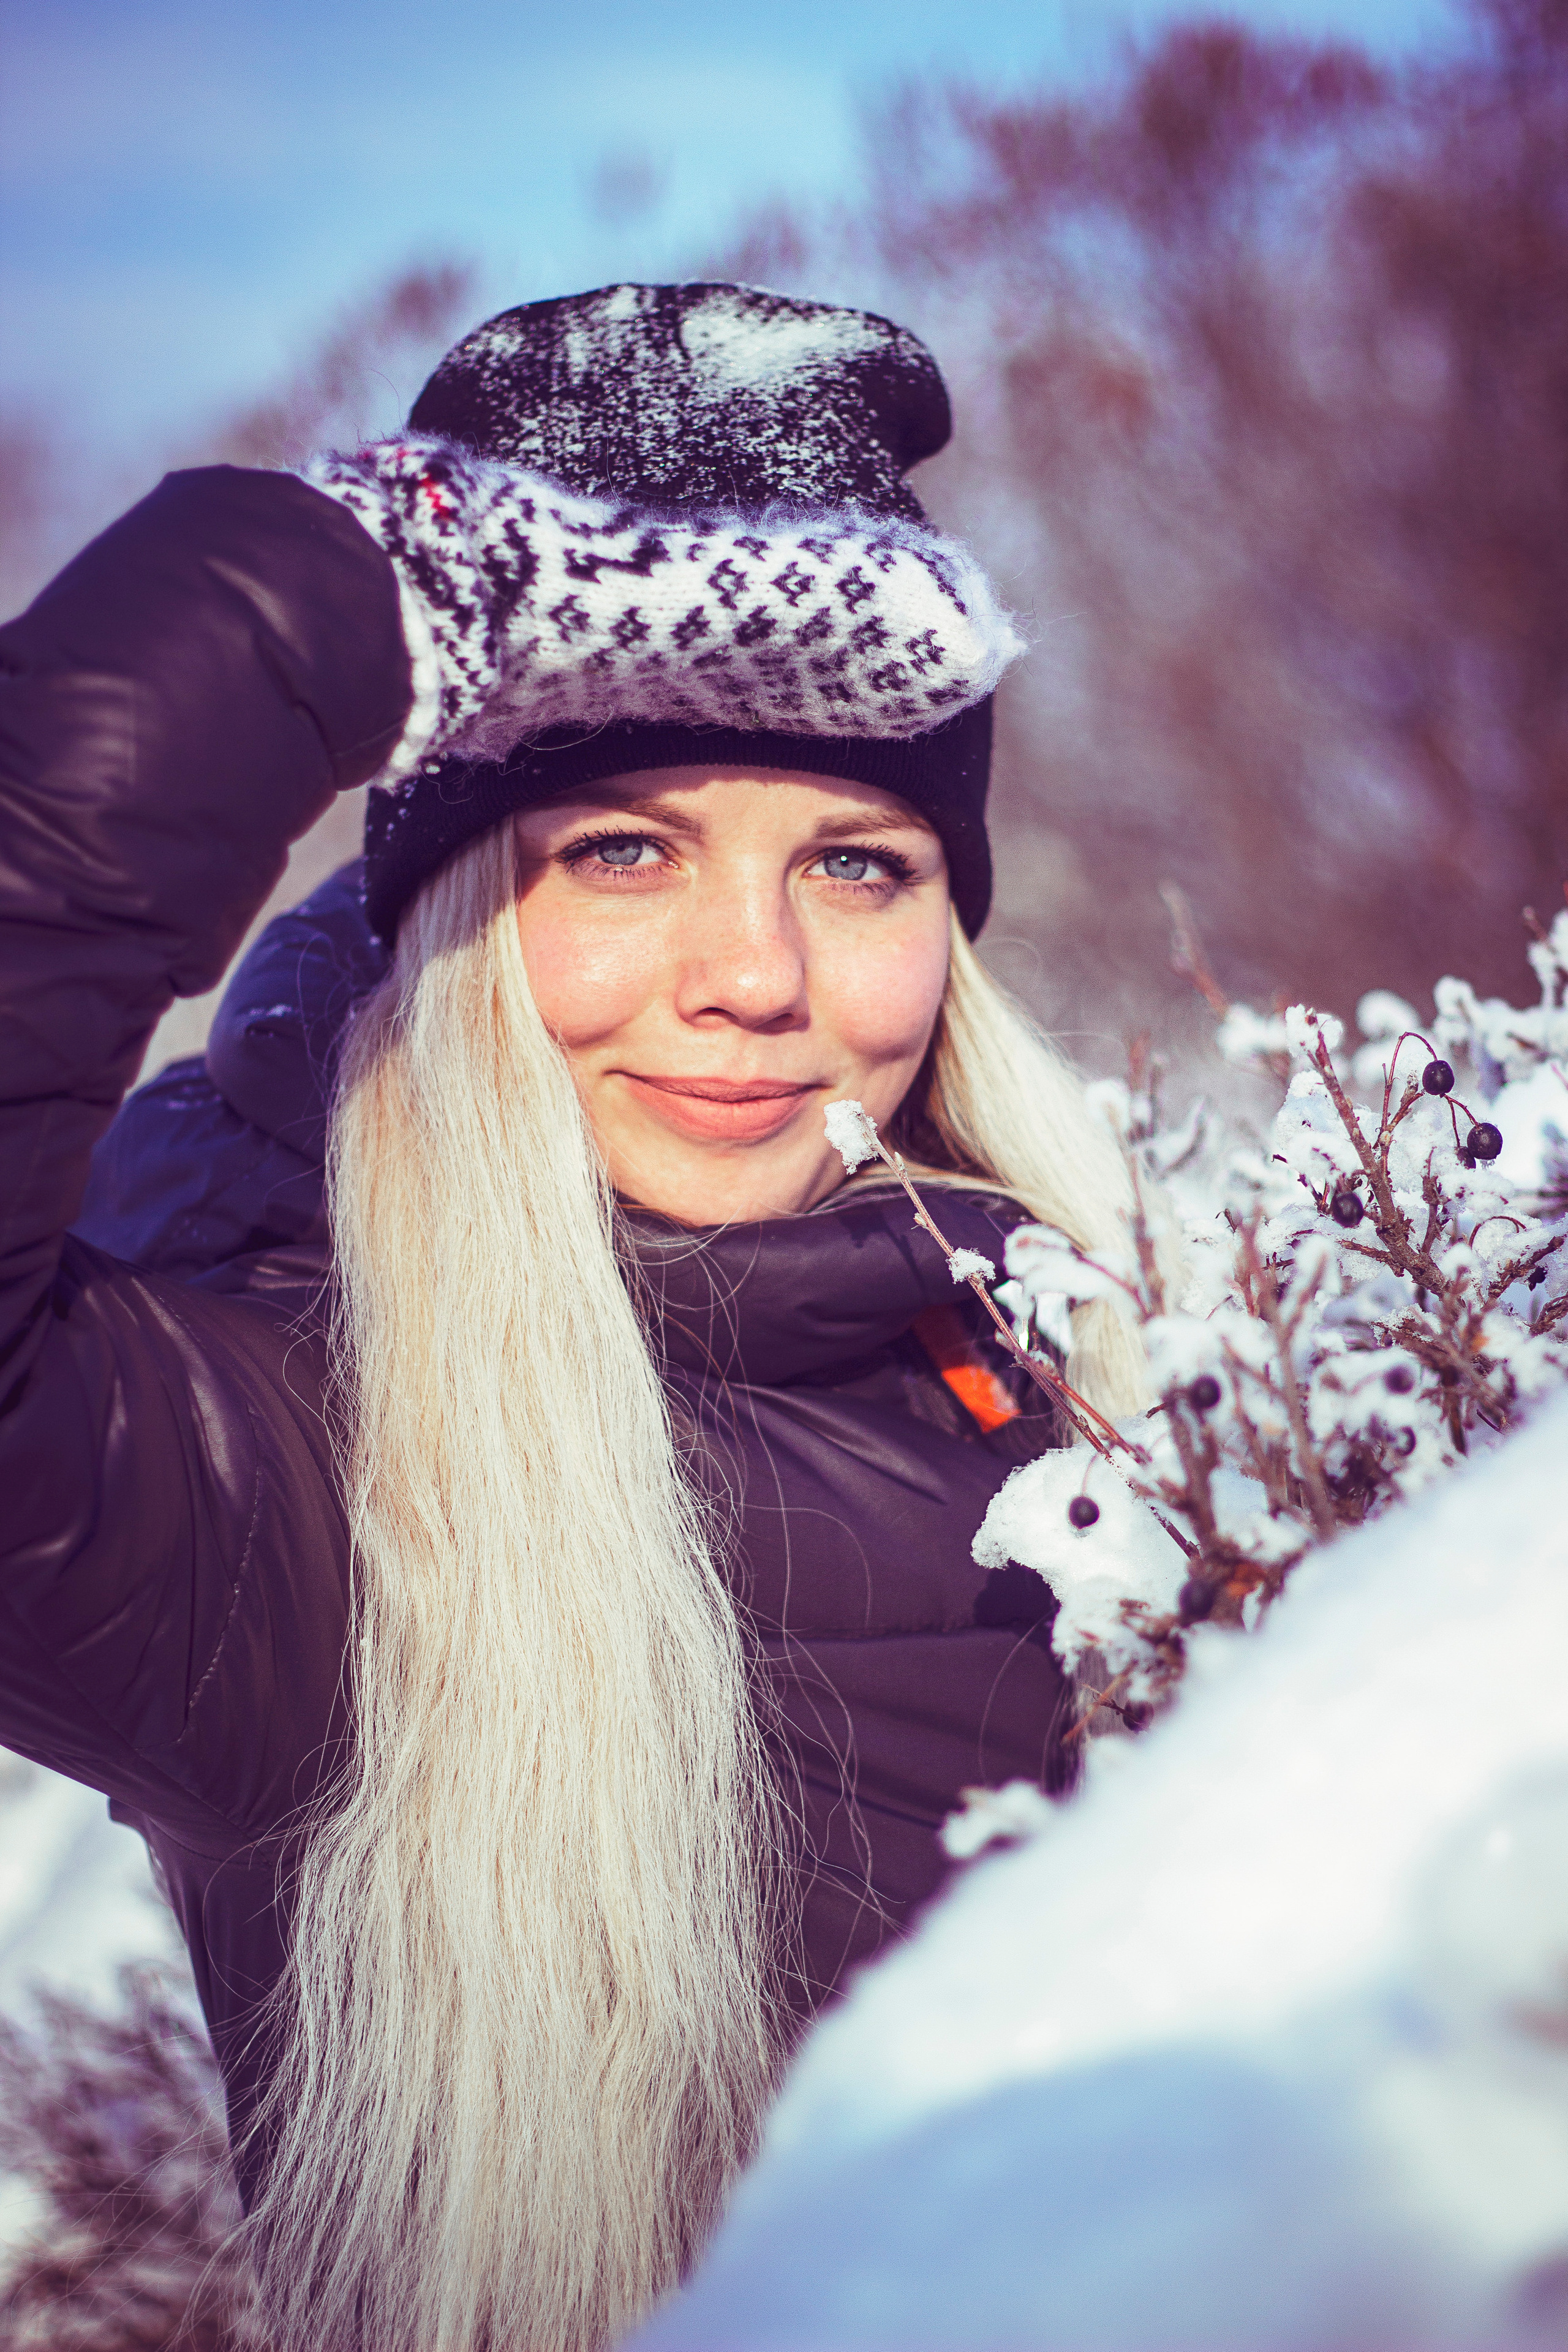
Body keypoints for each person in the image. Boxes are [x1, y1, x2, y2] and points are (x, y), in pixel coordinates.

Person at [0, 282, 1144, 2352]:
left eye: (861, 865)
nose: (758, 974)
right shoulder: (274, 1472)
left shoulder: (1108, 1367)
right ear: (440, 919)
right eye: (623, 848)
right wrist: (344, 607)